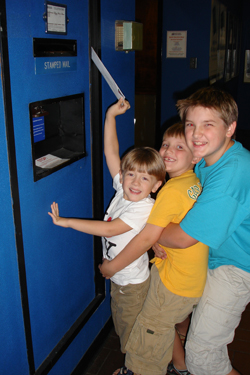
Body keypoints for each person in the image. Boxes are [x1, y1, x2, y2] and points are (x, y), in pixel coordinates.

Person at [48, 98, 166, 354]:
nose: (135, 182)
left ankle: (135, 368)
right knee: (125, 326)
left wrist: (66, 222)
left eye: (145, 178)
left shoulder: (143, 207)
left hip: (130, 284)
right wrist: (111, 116)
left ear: (155, 186)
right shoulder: (125, 191)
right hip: (121, 279)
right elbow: (111, 152)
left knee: (130, 331)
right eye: (130, 174)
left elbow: (110, 230)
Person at [154, 86, 250, 375]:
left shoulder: (232, 173)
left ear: (230, 127)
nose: (195, 134)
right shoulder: (212, 158)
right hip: (214, 253)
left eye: (208, 125)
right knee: (178, 313)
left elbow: (183, 237)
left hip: (236, 267)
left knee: (204, 357)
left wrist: (149, 233)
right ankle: (181, 359)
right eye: (190, 124)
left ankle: (189, 362)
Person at [99, 122, 209, 375]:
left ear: (196, 155)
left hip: (173, 280)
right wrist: (158, 239)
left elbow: (146, 237)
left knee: (150, 327)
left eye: (180, 147)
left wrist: (112, 267)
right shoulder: (193, 181)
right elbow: (173, 222)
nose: (168, 150)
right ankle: (181, 366)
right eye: (166, 144)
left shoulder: (169, 191)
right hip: (189, 276)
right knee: (161, 324)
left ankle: (138, 371)